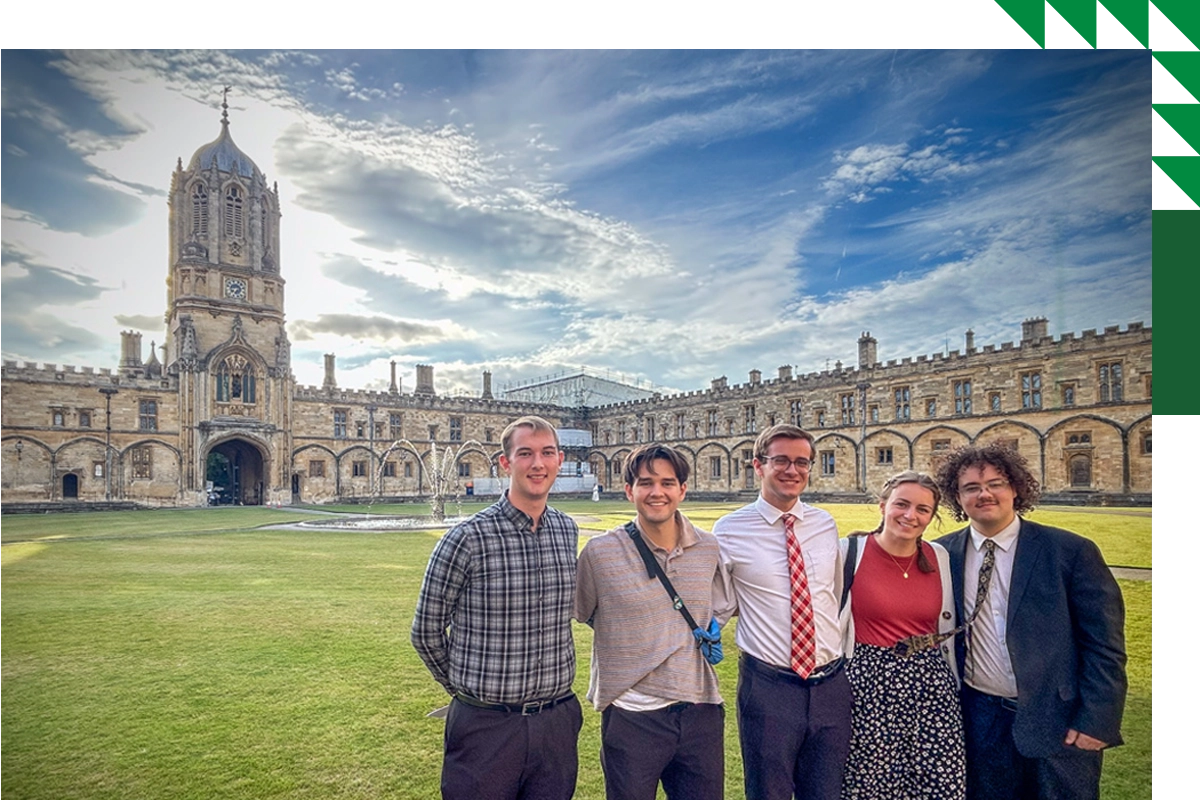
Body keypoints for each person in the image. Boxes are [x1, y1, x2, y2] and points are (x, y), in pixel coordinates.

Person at [935, 442, 1127, 800]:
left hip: (1057, 719)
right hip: (979, 719)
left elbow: (1104, 645)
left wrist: (1096, 721)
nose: (985, 494)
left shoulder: (1070, 550)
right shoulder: (942, 553)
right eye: (971, 487)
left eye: (996, 483)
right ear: (956, 498)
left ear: (1015, 488)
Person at [411, 415, 582, 800]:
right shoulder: (466, 538)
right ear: (505, 464)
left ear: (559, 460)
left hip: (556, 722)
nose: (537, 464)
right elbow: (425, 631)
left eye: (546, 453)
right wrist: (467, 691)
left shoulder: (566, 531)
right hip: (486, 727)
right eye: (525, 454)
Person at [576, 443, 731, 800]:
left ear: (682, 490)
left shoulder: (709, 549)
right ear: (629, 490)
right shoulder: (599, 553)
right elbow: (585, 612)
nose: (656, 492)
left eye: (667, 482)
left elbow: (721, 606)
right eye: (646, 483)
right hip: (632, 716)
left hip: (700, 712)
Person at [713, 424, 850, 800]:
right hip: (769, 688)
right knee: (768, 792)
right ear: (758, 465)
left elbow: (831, 594)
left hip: (831, 684)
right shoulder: (729, 530)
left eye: (802, 462)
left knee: (826, 792)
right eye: (782, 461)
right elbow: (719, 601)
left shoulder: (824, 524)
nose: (793, 470)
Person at [838, 471, 964, 800]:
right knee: (870, 786)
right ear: (883, 506)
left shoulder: (941, 557)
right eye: (902, 505)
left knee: (939, 785)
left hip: (931, 687)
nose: (910, 516)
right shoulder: (848, 553)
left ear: (932, 516)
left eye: (923, 509)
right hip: (868, 685)